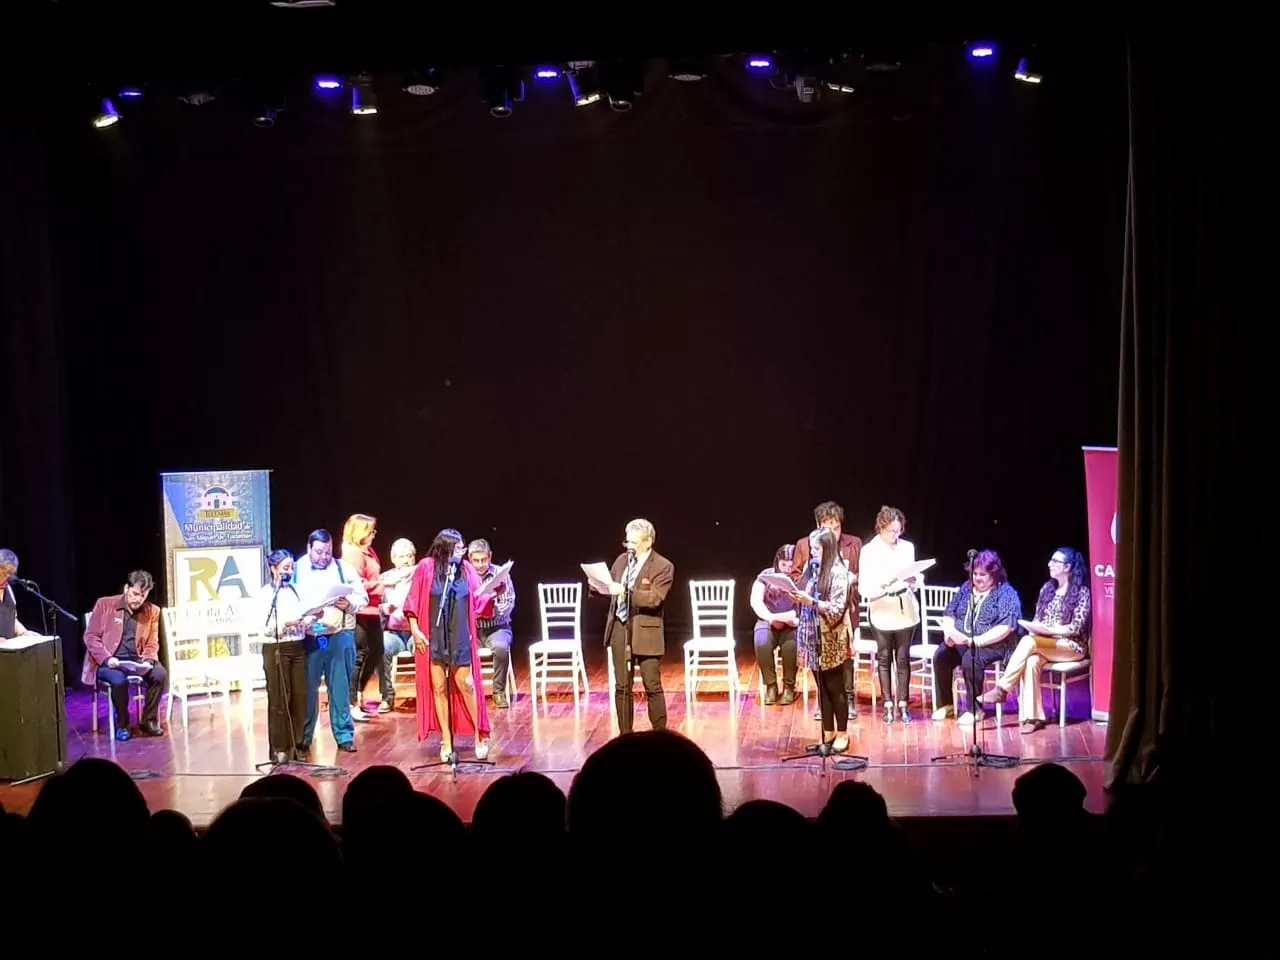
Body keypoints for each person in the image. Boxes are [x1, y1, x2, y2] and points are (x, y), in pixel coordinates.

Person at [980, 547, 1091, 733]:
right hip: (1044, 644)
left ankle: (1002, 689)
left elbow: (1076, 627)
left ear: (1068, 567)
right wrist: (1035, 628)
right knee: (1031, 661)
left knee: (1028, 642)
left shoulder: (1081, 592)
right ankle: (1034, 717)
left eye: (1055, 561)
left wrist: (1051, 631)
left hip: (1071, 646)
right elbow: (1038, 619)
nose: (1049, 564)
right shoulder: (1047, 589)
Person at [403, 528, 491, 760]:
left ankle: (479, 734)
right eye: (458, 548)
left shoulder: (466, 569)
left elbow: (480, 598)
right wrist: (415, 630)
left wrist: (493, 592)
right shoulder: (426, 567)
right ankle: (446, 739)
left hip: (459, 633)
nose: (463, 551)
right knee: (439, 687)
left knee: (466, 684)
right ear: (445, 549)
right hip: (433, 634)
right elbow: (412, 600)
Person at [595, 518, 675, 735]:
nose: (628, 546)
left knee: (652, 685)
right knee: (622, 687)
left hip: (646, 631)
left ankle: (659, 734)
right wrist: (598, 585)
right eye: (627, 542)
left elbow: (655, 599)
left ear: (648, 542)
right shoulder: (622, 561)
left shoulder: (663, 566)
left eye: (633, 542)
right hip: (620, 628)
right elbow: (611, 586)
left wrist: (626, 592)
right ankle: (625, 736)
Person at [293, 528, 368, 754]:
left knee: (340, 688)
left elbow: (362, 597)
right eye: (319, 552)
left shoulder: (343, 568)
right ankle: (304, 736)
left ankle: (344, 736)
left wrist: (350, 604)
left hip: (339, 635)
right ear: (309, 548)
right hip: (310, 637)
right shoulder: (297, 569)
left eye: (327, 552)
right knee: (307, 689)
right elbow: (290, 599)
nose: (324, 557)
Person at [930, 549, 1021, 724]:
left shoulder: (1005, 593)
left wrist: (977, 641)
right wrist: (949, 633)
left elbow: (1007, 627)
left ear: (993, 575)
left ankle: (974, 709)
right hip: (964, 640)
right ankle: (947, 704)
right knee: (941, 655)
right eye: (975, 574)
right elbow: (949, 612)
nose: (977, 578)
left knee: (971, 659)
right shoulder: (966, 588)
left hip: (994, 644)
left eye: (982, 575)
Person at [790, 501, 862, 717]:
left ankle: (848, 699)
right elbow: (795, 576)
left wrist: (851, 579)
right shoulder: (806, 545)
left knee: (843, 659)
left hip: (841, 611)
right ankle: (824, 704)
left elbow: (861, 573)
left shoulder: (853, 544)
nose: (832, 533)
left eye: (836, 528)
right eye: (827, 528)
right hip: (814, 616)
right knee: (818, 661)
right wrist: (802, 583)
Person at [858, 506, 925, 724]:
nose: (895, 535)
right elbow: (864, 586)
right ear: (881, 528)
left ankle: (903, 703)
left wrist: (914, 580)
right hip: (881, 608)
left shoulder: (907, 547)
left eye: (898, 531)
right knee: (884, 656)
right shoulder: (869, 550)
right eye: (891, 531)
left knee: (903, 658)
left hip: (905, 608)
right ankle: (887, 703)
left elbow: (915, 575)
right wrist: (883, 585)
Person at [82, 570, 168, 741]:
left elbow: (152, 642)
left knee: (160, 674)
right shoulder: (105, 604)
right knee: (118, 680)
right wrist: (107, 658)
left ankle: (148, 720)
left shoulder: (152, 611)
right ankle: (123, 725)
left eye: (143, 596)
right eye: (135, 594)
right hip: (108, 661)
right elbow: (90, 637)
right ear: (126, 588)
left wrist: (148, 660)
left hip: (137, 660)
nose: (138, 599)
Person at [791, 527, 854, 752]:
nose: (813, 552)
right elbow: (804, 592)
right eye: (812, 548)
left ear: (828, 549)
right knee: (822, 687)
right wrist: (796, 594)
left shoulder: (838, 572)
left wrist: (811, 601)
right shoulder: (812, 568)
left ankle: (843, 733)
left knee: (835, 687)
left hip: (831, 638)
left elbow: (836, 609)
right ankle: (828, 733)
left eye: (816, 548)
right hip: (812, 637)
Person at [258, 549, 309, 762]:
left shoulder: (296, 591)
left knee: (299, 697)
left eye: (292, 568)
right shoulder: (266, 594)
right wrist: (285, 624)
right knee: (279, 699)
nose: (290, 571)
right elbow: (262, 626)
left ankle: (297, 745)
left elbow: (304, 616)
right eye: (286, 567)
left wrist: (309, 620)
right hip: (275, 649)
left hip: (297, 647)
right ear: (274, 568)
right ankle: (279, 747)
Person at [341, 513, 386, 719]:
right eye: (370, 532)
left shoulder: (368, 551)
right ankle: (350, 703)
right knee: (361, 654)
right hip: (360, 610)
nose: (373, 535)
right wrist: (384, 585)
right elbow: (356, 584)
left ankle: (358, 694)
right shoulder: (353, 553)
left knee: (376, 652)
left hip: (372, 609)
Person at [468, 538, 516, 708]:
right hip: (472, 630)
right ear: (469, 559)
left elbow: (508, 603)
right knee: (458, 648)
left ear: (490, 556)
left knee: (500, 648)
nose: (480, 565)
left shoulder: (501, 575)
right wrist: (478, 612)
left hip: (497, 628)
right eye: (476, 561)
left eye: (484, 560)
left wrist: (488, 611)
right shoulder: (465, 575)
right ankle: (467, 692)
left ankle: (498, 692)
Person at [752, 544, 800, 705]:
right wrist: (771, 618)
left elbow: (808, 606)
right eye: (783, 564)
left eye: (790, 565)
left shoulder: (801, 577)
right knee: (761, 640)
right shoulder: (766, 575)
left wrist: (795, 621)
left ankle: (789, 687)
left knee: (791, 645)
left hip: (793, 622)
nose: (787, 569)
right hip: (769, 619)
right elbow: (755, 601)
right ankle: (771, 685)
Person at [377, 537, 417, 710]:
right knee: (380, 647)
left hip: (416, 631)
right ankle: (387, 696)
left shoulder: (421, 577)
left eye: (409, 556)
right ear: (393, 559)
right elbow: (371, 606)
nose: (406, 560)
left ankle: (426, 696)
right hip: (393, 633)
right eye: (401, 556)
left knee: (426, 647)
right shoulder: (384, 579)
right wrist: (383, 609)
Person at [0, 548, 28, 641]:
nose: (8, 576)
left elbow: (12, 620)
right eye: (6, 572)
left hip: (7, 648)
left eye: (11, 573)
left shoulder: (8, 589)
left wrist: (24, 632)